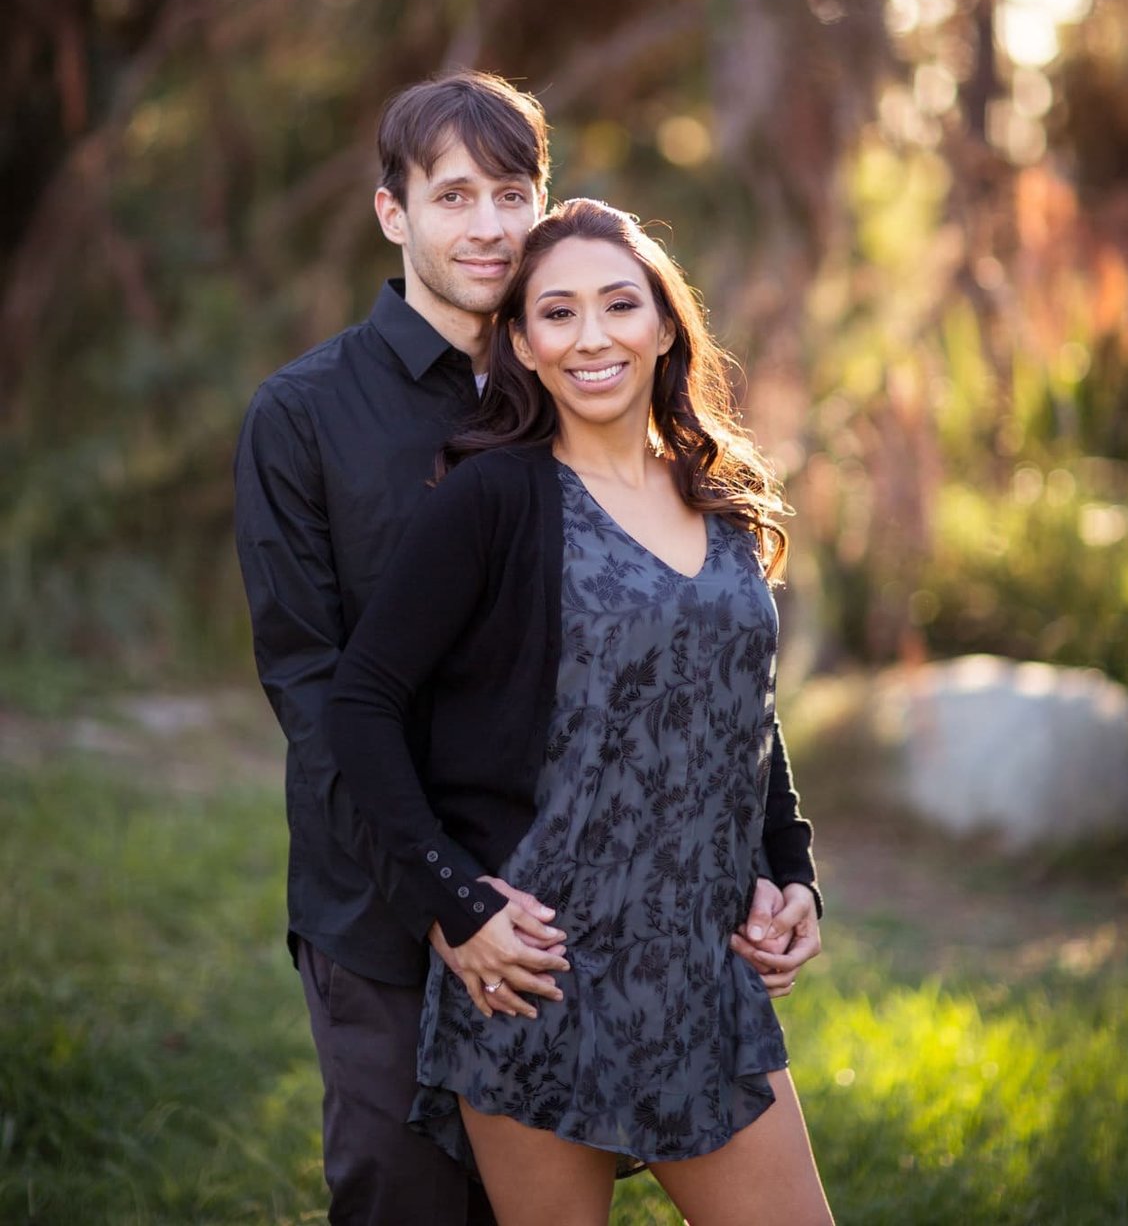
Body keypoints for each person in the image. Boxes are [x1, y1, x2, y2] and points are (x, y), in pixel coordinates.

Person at [235, 74, 824, 1226]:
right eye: (452, 195)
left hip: (602, 916)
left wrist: (782, 859)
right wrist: (449, 901)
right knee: (408, 1204)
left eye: (513, 192)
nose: (490, 224)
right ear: (392, 213)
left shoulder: (583, 388)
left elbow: (699, 670)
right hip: (390, 902)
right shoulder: (305, 415)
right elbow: (321, 689)